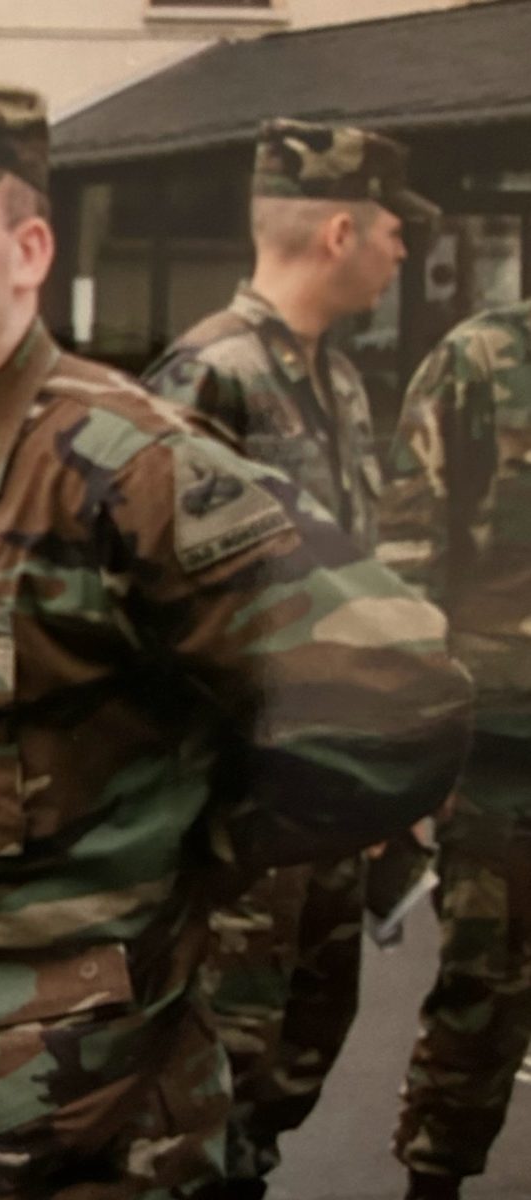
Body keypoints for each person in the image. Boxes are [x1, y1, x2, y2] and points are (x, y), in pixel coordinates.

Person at [0, 72, 471, 1200]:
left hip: (71, 1146)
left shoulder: (128, 469)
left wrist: (178, 852)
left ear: (27, 251)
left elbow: (403, 695)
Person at [141, 117, 439, 1199]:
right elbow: (152, 616)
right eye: (397, 229)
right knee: (212, 1081)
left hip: (326, 814)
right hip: (238, 828)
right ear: (342, 230)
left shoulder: (340, 383)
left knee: (287, 1071)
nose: (406, 249)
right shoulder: (206, 378)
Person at [378, 301, 531, 1200]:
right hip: (506, 750)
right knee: (486, 988)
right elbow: (408, 556)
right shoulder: (483, 359)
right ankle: (434, 1179)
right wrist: (416, 745)